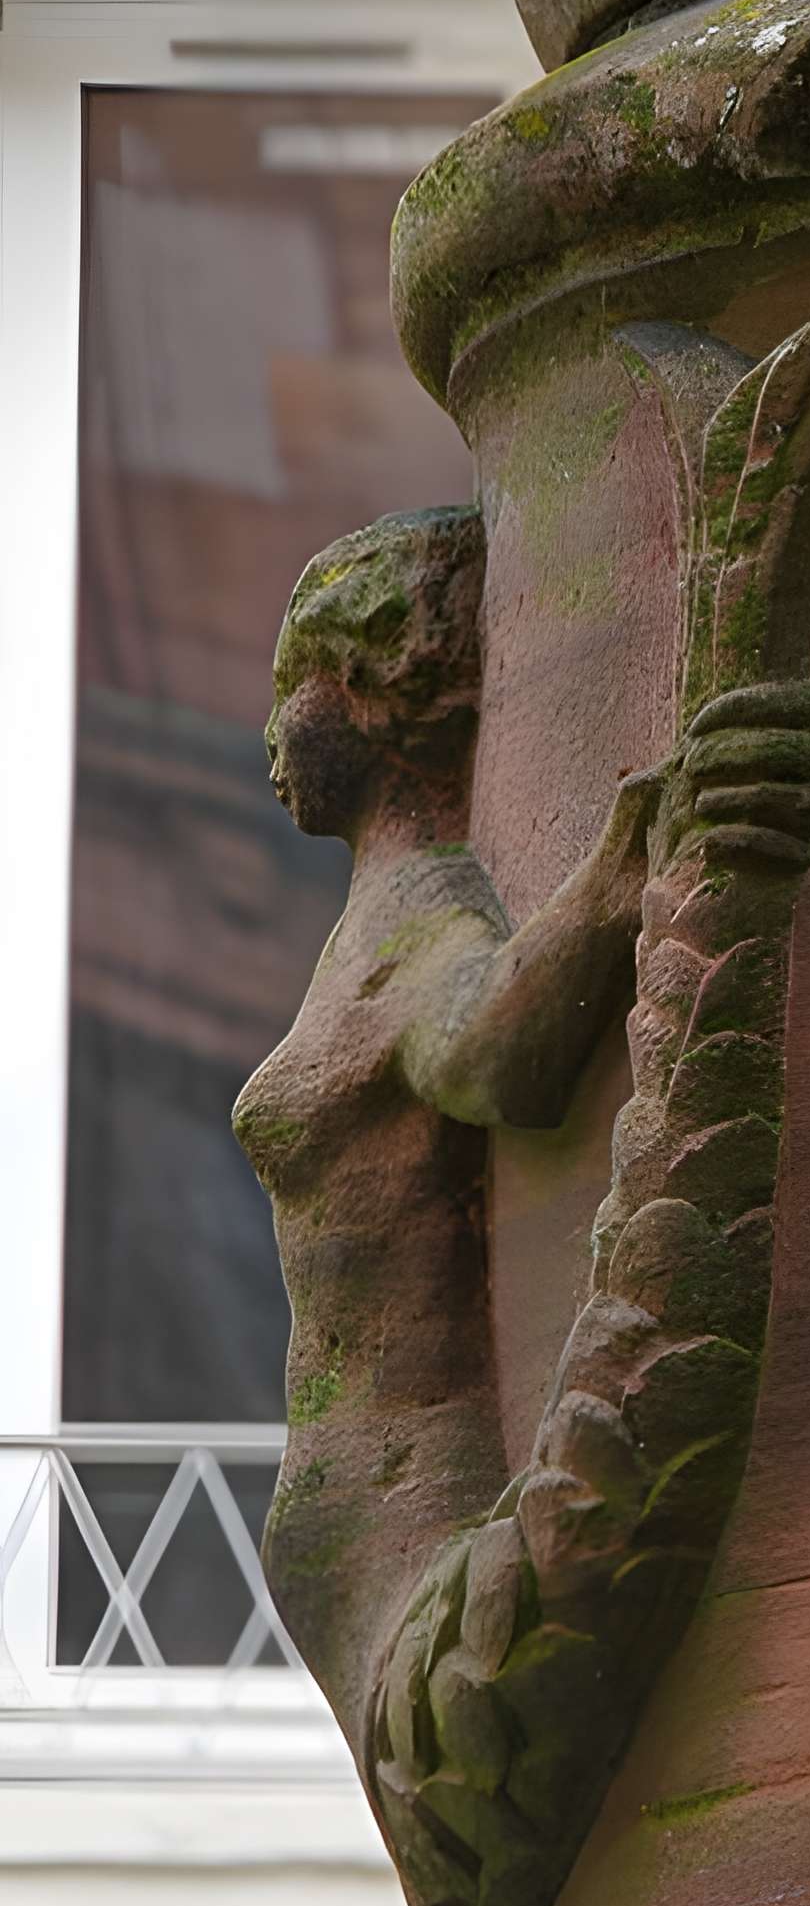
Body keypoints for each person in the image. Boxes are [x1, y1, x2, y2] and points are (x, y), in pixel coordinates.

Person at [233, 506, 661, 1725]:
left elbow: (491, 1056)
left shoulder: (426, 909)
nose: (273, 731)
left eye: (296, 685)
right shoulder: (368, 926)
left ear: (378, 691)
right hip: (357, 1515)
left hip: (410, 1499)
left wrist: (606, 891)